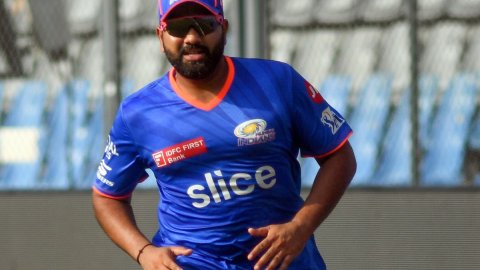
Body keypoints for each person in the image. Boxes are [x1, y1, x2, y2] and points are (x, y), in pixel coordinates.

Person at [92, 0, 357, 269]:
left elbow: (340, 156)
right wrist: (144, 252)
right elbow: (107, 196)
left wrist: (300, 227)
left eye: (204, 25)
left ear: (224, 28)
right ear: (161, 36)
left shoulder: (278, 81)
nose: (192, 37)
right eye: (179, 27)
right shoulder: (137, 113)